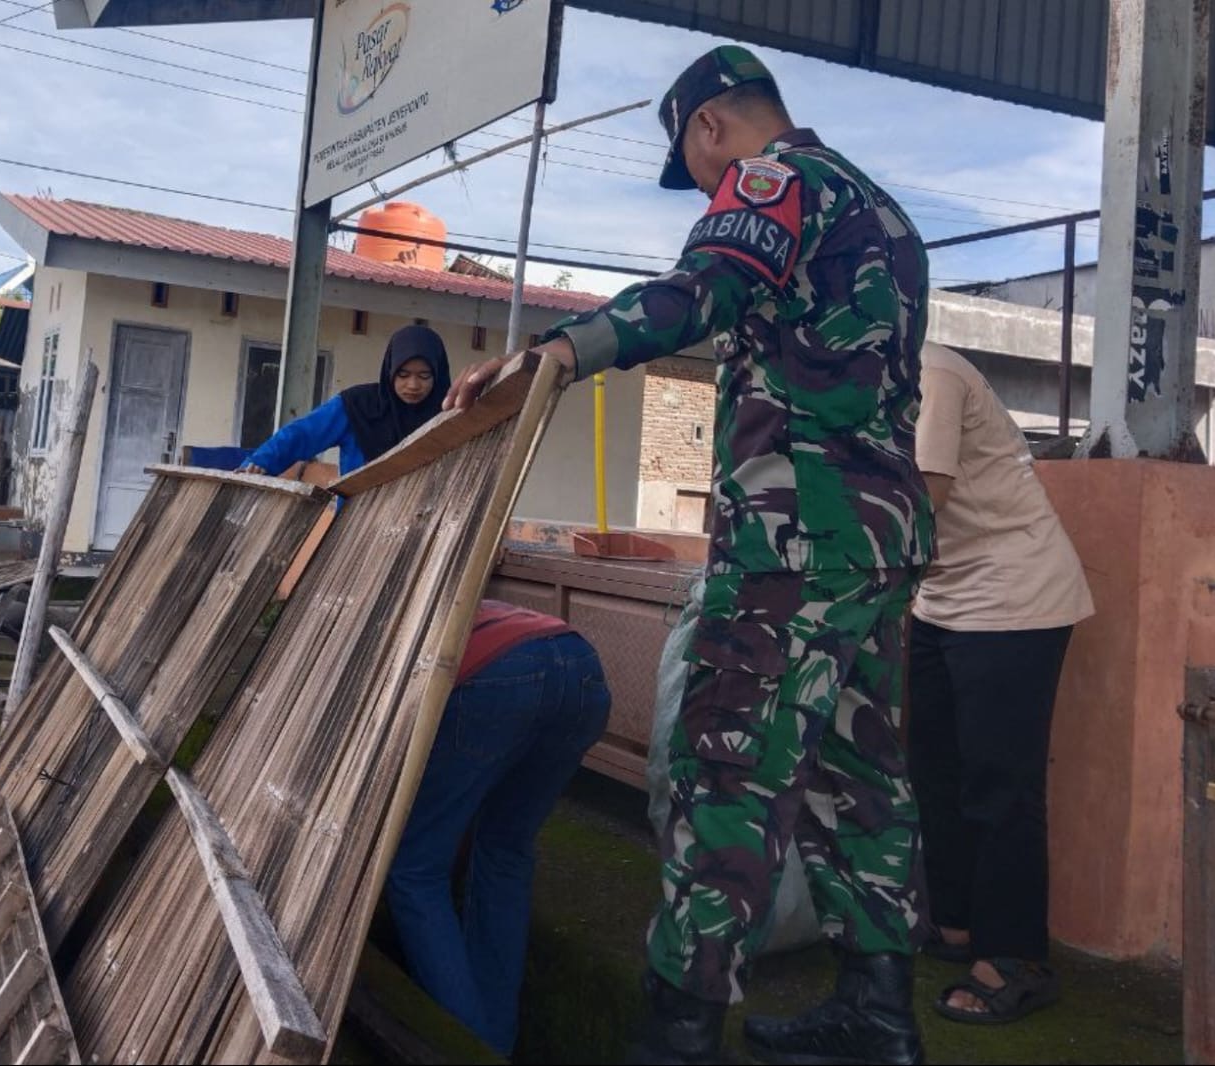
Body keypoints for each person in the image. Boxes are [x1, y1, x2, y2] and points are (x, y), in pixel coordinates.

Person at [446, 45, 934, 1066]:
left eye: (696, 165)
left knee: (724, 772)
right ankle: (878, 1014)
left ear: (711, 125)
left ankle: (676, 1036)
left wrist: (558, 353)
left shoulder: (772, 182)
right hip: (878, 540)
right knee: (864, 779)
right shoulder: (886, 214)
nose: (707, 188)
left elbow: (696, 292)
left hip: (790, 542)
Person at [906, 342, 1094, 1025]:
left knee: (999, 784)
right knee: (933, 769)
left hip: (1015, 598)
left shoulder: (932, 372)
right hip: (941, 599)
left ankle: (1017, 958)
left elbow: (924, 496)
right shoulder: (854, 383)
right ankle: (955, 925)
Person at [384, 601, 611, 1057]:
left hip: (496, 678)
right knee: (506, 852)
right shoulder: (452, 598)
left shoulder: (381, 624)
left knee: (414, 871)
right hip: (581, 665)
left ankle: (468, 1047)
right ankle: (494, 1045)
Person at [239, 324, 450, 477]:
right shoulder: (358, 407)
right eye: (403, 375)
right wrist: (261, 461)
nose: (413, 385)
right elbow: (303, 433)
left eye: (424, 376)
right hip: (354, 525)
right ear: (389, 370)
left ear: (438, 375)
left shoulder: (449, 415)